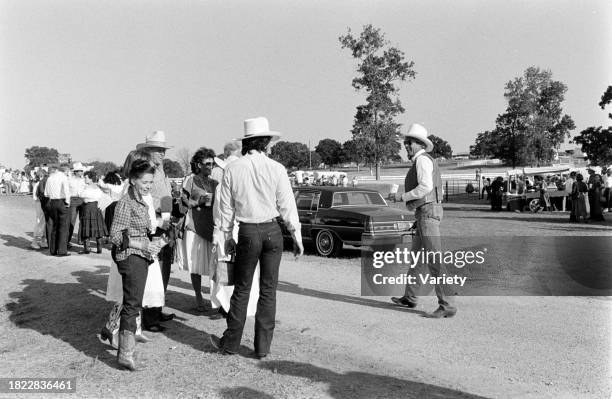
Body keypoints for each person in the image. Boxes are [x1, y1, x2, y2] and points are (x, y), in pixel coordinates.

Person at [210, 116, 303, 358]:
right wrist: (296, 235)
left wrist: (227, 235)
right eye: (269, 141)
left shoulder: (233, 169)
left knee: (242, 289)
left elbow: (225, 209)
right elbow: (287, 206)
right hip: (273, 231)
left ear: (247, 142)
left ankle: (230, 344)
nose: (271, 145)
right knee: (268, 290)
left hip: (248, 231)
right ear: (264, 143)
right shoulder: (277, 168)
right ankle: (262, 348)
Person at [390, 123, 455, 318]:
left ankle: (447, 304)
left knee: (434, 259)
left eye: (409, 142)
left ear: (419, 143)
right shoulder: (423, 160)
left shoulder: (421, 161)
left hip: (427, 212)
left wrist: (403, 197)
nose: (406, 146)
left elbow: (425, 187)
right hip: (424, 213)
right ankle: (410, 297)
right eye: (405, 142)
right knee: (418, 258)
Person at [101, 150, 163, 347]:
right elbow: (119, 231)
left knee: (136, 293)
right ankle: (115, 330)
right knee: (129, 295)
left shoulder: (141, 187)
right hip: (131, 249)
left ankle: (131, 330)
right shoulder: (129, 192)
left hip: (142, 245)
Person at [110, 159, 166, 371]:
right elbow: (115, 235)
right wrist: (142, 244)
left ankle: (112, 330)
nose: (148, 186)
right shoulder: (126, 203)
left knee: (132, 300)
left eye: (151, 182)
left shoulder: (141, 200)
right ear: (133, 180)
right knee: (133, 304)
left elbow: (143, 230)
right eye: (145, 181)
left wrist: (153, 243)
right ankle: (125, 354)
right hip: (130, 256)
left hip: (140, 255)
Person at [136, 131, 176, 330]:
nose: (162, 153)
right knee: (153, 270)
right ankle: (150, 316)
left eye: (163, 150)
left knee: (164, 268)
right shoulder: (147, 171)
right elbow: (146, 200)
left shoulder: (161, 171)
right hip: (154, 224)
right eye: (158, 150)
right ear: (148, 151)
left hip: (164, 223)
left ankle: (157, 309)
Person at [179, 148, 218, 311]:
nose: (210, 166)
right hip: (194, 226)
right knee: (195, 264)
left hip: (210, 227)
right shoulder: (191, 180)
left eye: (212, 163)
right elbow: (182, 203)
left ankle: (215, 298)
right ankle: (198, 296)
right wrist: (197, 202)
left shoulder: (215, 183)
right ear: (199, 165)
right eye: (207, 163)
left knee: (213, 264)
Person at [44, 165, 71, 256]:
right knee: (63, 227)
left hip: (52, 202)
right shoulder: (63, 177)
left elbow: (46, 193)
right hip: (61, 201)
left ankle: (53, 250)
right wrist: (67, 202)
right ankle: (62, 250)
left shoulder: (50, 178)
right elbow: (66, 190)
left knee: (55, 226)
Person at [78, 171, 108, 254]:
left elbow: (80, 194)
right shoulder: (98, 188)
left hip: (88, 207)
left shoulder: (86, 188)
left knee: (86, 227)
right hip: (96, 207)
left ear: (91, 179)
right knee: (97, 228)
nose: (85, 179)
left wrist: (86, 197)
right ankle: (99, 248)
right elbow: (101, 197)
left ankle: (87, 248)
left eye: (86, 177)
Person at [67, 162, 86, 247]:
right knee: (72, 220)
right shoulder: (69, 180)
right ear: (75, 171)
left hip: (82, 199)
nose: (81, 172)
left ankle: (80, 239)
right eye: (80, 171)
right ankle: (67, 240)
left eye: (82, 171)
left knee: (82, 220)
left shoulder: (84, 180)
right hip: (73, 199)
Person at [30, 169, 48, 250]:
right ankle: (34, 241)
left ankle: (43, 240)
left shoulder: (44, 183)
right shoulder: (37, 184)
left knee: (44, 222)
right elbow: (35, 197)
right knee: (39, 221)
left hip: (44, 204)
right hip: (39, 204)